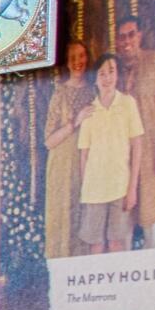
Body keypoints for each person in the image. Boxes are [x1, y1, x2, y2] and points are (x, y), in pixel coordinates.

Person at [114, 14, 155, 249]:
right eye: (121, 37)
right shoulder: (114, 70)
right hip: (123, 155)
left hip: (152, 151)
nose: (126, 41)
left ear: (139, 36)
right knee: (122, 220)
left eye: (131, 34)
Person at [73, 50, 145, 256]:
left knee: (116, 243)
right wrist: (86, 190)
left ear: (117, 75)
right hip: (94, 190)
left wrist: (132, 188)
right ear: (95, 79)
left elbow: (137, 147)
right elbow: (84, 155)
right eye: (102, 73)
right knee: (95, 245)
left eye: (111, 72)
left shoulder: (128, 104)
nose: (107, 78)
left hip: (120, 187)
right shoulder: (89, 111)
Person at [40, 37, 94, 257]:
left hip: (87, 162)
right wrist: (75, 122)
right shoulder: (59, 93)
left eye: (81, 56)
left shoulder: (94, 91)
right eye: (72, 57)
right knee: (62, 215)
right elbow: (48, 141)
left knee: (84, 214)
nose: (77, 61)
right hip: (61, 165)